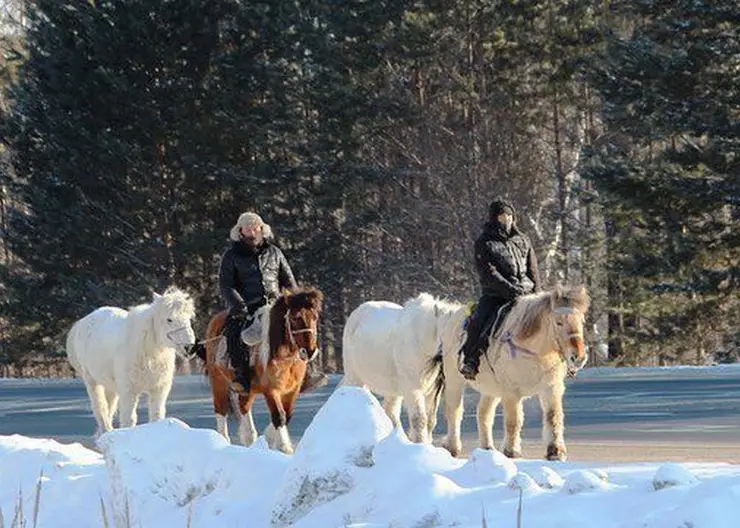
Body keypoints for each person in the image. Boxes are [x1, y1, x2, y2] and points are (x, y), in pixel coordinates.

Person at [219, 212, 328, 393]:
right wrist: (239, 305)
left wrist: (295, 301)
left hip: (276, 305)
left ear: (262, 229)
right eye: (248, 229)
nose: (252, 232)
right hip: (247, 306)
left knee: (303, 325)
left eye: (256, 228)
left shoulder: (275, 252)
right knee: (234, 331)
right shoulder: (231, 256)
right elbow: (226, 285)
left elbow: (289, 281)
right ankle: (242, 375)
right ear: (240, 231)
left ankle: (308, 372)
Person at [458, 197, 540, 380]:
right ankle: (471, 360)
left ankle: (563, 361)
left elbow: (533, 268)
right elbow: (488, 273)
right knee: (478, 322)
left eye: (510, 216)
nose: (507, 220)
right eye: (503, 217)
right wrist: (510, 289)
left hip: (527, 294)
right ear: (494, 218)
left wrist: (538, 293)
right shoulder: (484, 242)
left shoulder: (523, 240)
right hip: (496, 295)